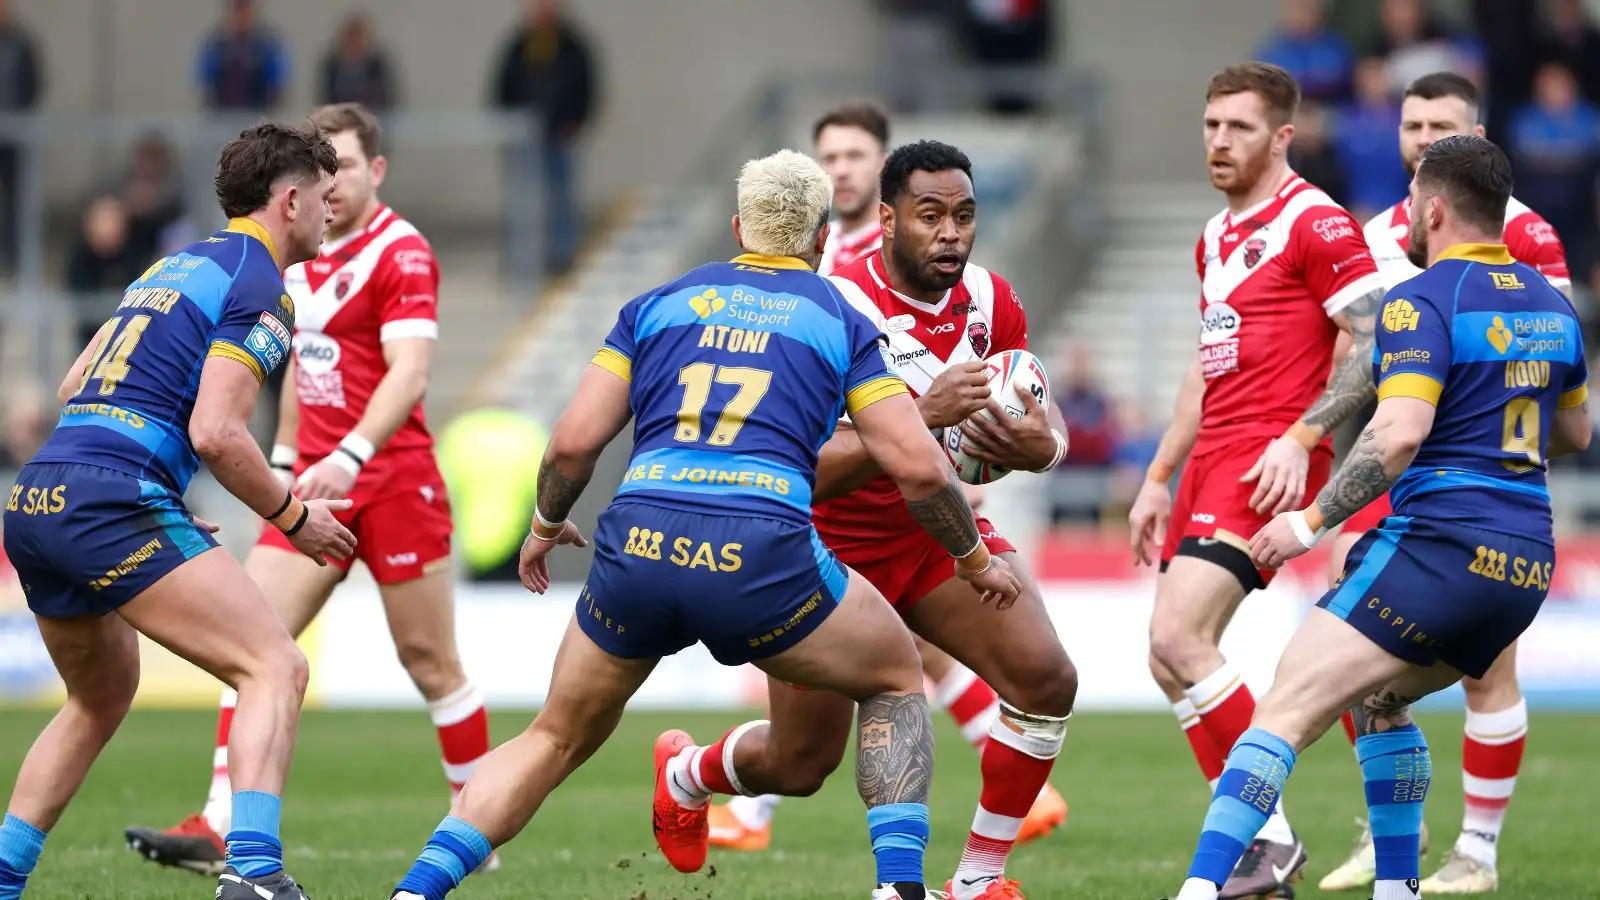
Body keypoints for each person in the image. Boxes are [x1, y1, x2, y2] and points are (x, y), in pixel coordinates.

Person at [385, 149, 1021, 900]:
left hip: (640, 542)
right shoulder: (837, 314)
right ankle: (900, 890)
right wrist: (976, 560)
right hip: (759, 552)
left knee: (552, 737)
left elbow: (572, 443)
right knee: (893, 677)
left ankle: (415, 889)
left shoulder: (656, 305)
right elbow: (917, 467)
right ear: (822, 240)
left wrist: (546, 524)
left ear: (738, 228)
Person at [1165, 133, 1590, 900]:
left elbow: (1396, 434)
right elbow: (1575, 434)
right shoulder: (1554, 307)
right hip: (1526, 560)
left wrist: (1305, 524)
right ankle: (1399, 891)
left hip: (1441, 547)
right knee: (1380, 699)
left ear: (1431, 210)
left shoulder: (1422, 299)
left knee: (1285, 710)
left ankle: (1196, 892)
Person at [668, 140, 1075, 900]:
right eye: (930, 216)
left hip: (931, 539)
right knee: (800, 765)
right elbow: (795, 459)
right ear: (887, 220)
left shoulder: (993, 301)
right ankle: (688, 771)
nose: (951, 233)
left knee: (1046, 679)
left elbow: (1038, 410)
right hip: (821, 551)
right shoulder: (827, 305)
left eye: (964, 216)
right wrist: (919, 418)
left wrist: (1044, 448)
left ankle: (977, 880)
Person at [122, 102, 496, 876]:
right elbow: (303, 364)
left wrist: (354, 453)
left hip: (393, 480)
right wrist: (288, 457)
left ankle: (481, 818)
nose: (335, 186)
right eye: (325, 172)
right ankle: (222, 822)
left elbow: (411, 373)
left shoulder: (403, 252)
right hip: (310, 486)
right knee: (251, 639)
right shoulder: (299, 255)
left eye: (349, 168)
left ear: (377, 170)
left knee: (431, 661)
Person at [0, 121, 353, 900]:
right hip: (108, 499)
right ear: (288, 200)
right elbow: (219, 433)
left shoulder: (173, 265)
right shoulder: (262, 286)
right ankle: (255, 877)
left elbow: (72, 387)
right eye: (326, 200)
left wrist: (143, 482)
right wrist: (296, 519)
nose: (334, 213)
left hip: (40, 491)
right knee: (275, 665)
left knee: (99, 696)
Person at [1126, 61, 1388, 899]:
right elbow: (1205, 373)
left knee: (1177, 639)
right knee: (1170, 660)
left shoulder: (1315, 221)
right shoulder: (1214, 235)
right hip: (1210, 459)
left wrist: (1304, 436)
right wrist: (1158, 474)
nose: (1218, 141)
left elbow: (1375, 343)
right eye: (1210, 125)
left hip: (1267, 459)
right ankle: (1256, 857)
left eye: (1238, 127)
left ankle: (1265, 837)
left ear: (1282, 136)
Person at [1320, 71, 1573, 896]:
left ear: (1478, 135)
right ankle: (1390, 828)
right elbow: (1355, 359)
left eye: (1443, 124)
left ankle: (1479, 847)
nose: (1423, 137)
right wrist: (1323, 445)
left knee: (1487, 666)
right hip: (1392, 460)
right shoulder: (1373, 230)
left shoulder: (1527, 235)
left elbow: (1549, 360)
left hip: (1476, 477)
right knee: (1353, 661)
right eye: (1412, 123)